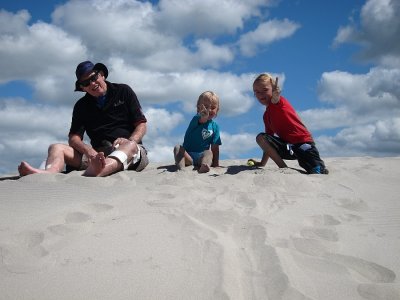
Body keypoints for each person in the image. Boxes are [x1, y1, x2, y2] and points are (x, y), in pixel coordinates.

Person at [18, 61, 149, 177]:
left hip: (129, 151)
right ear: (82, 87)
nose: (92, 83)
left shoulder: (123, 91)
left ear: (102, 75)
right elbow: (74, 138)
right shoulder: (81, 106)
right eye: (86, 83)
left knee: (130, 146)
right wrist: (89, 151)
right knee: (56, 147)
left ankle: (97, 172)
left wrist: (129, 140)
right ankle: (47, 173)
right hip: (98, 155)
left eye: (94, 77)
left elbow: (141, 124)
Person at [248, 73, 328, 174]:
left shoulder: (278, 102)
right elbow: (267, 143)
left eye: (265, 90)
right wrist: (262, 163)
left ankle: (318, 166)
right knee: (261, 137)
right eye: (257, 92)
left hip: (303, 144)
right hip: (288, 147)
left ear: (273, 89)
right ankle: (284, 168)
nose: (261, 95)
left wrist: (276, 95)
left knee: (316, 170)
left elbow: (275, 100)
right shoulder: (266, 116)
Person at [173, 91, 221, 173]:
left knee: (209, 152)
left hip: (201, 157)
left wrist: (216, 164)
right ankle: (181, 168)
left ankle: (204, 166)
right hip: (188, 156)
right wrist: (204, 117)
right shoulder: (196, 119)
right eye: (205, 107)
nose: (209, 110)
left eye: (213, 108)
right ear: (199, 108)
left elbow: (215, 147)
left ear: (217, 110)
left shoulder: (215, 126)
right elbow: (202, 120)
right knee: (178, 148)